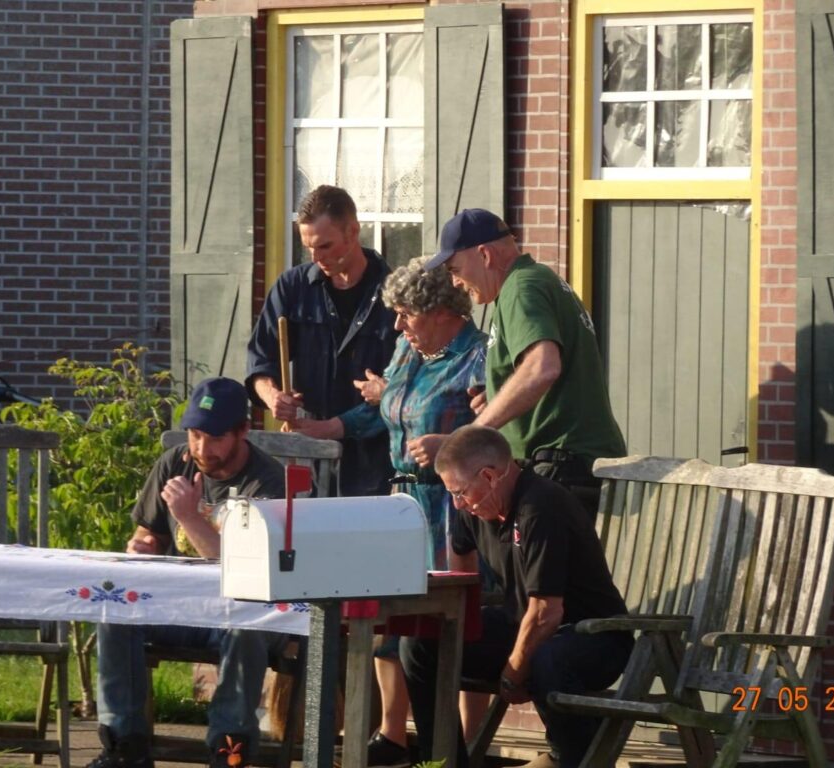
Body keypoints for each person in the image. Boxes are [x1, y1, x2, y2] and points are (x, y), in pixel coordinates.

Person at [294, 257, 487, 766]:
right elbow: (384, 410)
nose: (398, 326)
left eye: (407, 314)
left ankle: (466, 744)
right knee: (393, 617)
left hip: (451, 505)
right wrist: (333, 427)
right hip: (402, 504)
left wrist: (450, 443)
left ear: (442, 311)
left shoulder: (478, 358)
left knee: (457, 619)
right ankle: (393, 735)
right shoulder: (408, 350)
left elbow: (497, 432)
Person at [400, 425, 633, 768]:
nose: (457, 503)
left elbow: (546, 612)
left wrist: (512, 672)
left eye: (460, 493)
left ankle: (576, 760)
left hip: (594, 636)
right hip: (526, 626)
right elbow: (462, 574)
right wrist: (456, 621)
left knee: (544, 659)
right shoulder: (472, 507)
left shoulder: (541, 506)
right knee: (421, 641)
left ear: (489, 476)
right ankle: (443, 763)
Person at [88, 378, 287, 768]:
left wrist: (190, 518)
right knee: (114, 612)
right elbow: (147, 533)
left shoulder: (267, 481)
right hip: (182, 607)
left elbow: (247, 571)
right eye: (195, 435)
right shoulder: (174, 462)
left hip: (248, 612)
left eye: (214, 438)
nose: (201, 449)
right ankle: (124, 747)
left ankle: (229, 751)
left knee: (244, 627)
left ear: (243, 431)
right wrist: (142, 546)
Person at [424, 209, 627, 516]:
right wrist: (498, 396)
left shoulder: (520, 288)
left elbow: (542, 367)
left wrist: (472, 435)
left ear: (484, 255)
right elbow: (548, 373)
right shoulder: (535, 280)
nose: (455, 283)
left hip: (563, 469)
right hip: (570, 467)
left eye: (455, 269)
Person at [245, 184, 398, 496]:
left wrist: (337, 427)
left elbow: (407, 390)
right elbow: (260, 360)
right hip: (307, 458)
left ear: (353, 231)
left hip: (377, 462)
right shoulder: (292, 287)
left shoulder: (394, 294)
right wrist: (273, 396)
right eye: (308, 248)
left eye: (325, 246)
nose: (316, 258)